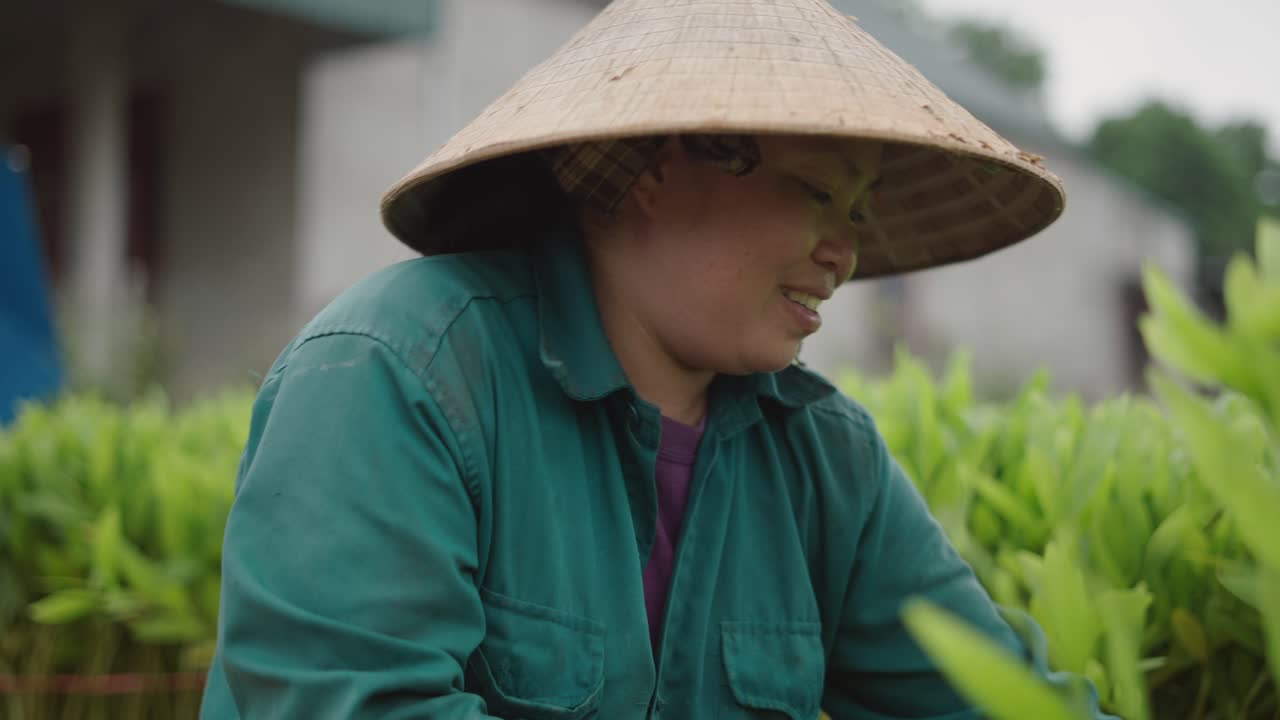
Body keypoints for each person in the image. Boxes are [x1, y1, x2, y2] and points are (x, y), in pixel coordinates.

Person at [200, 1, 1113, 718]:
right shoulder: (398, 374)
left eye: (858, 210)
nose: (846, 251)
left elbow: (1000, 699)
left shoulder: (824, 462)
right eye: (814, 190)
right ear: (651, 171)